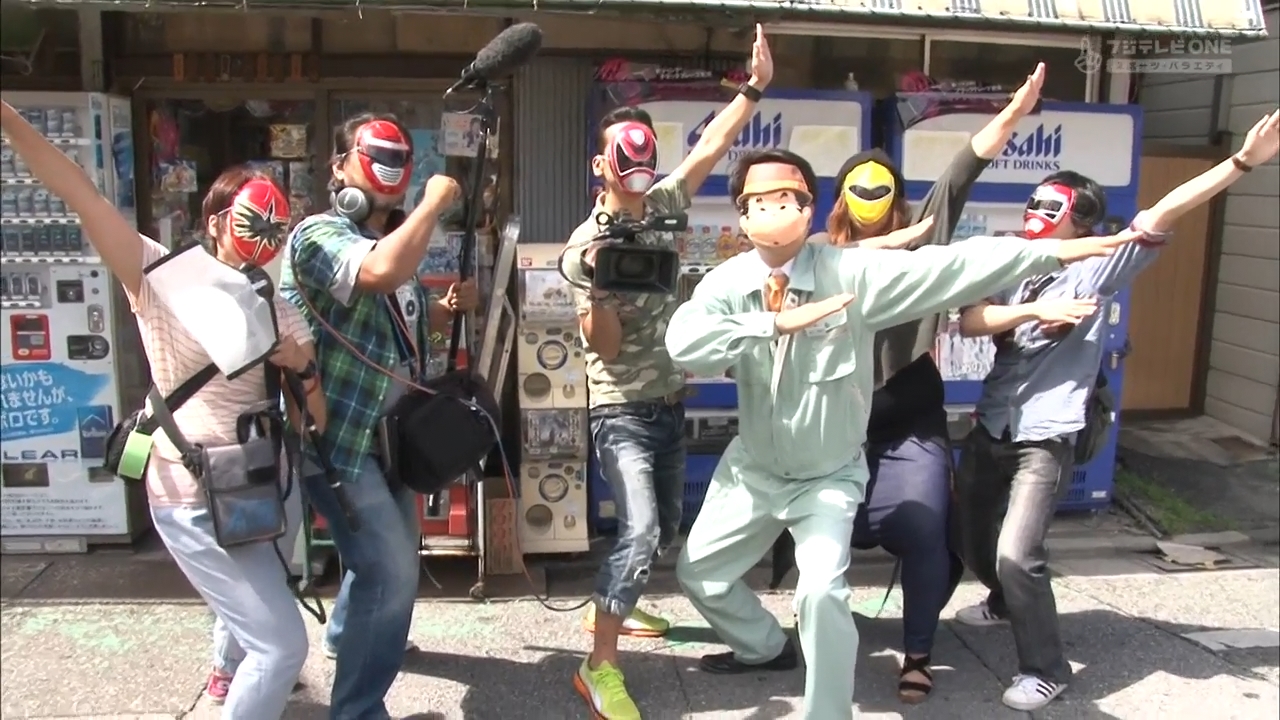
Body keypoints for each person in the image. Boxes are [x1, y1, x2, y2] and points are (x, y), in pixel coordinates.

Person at [663, 147, 1149, 720]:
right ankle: (763, 646)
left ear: (810, 206)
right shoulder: (727, 282)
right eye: (759, 199)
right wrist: (772, 323)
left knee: (821, 593)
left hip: (826, 477)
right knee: (700, 574)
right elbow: (686, 345)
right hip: (753, 471)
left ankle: (828, 713)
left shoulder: (850, 274)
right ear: (742, 213)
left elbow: (950, 267)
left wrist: (1050, 251)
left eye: (788, 196)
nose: (774, 207)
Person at [1, 101, 324, 720]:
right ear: (217, 219)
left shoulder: (277, 303)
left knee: (255, 604)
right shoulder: (163, 274)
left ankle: (227, 674)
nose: (264, 238)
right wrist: (10, 120)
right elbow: (80, 192)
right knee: (280, 646)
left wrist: (301, 368)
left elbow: (316, 418)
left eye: (276, 227)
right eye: (253, 220)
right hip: (191, 488)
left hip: (262, 483)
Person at [951, 108, 1280, 712]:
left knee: (1018, 554)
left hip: (1046, 436)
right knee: (969, 537)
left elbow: (1165, 211)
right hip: (992, 422)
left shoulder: (1102, 262)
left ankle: (1046, 670)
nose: (1034, 211)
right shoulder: (1014, 259)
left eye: (1049, 205)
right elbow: (972, 320)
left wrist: (1240, 162)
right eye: (1033, 200)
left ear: (1078, 218)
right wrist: (1031, 311)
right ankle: (1003, 600)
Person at [768, 63, 1049, 703]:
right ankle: (811, 640)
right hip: (831, 424)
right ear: (843, 199)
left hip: (909, 419)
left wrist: (1011, 114)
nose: (871, 202)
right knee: (817, 538)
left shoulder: (921, 242)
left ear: (897, 199)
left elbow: (959, 173)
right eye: (859, 190)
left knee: (925, 527)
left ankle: (918, 651)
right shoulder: (818, 252)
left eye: (883, 190)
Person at [557, 24, 774, 720]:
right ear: (601, 164)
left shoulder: (663, 207)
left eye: (646, 151)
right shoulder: (584, 247)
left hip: (669, 401)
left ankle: (617, 605)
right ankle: (599, 665)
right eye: (628, 153)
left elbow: (712, 147)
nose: (640, 163)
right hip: (619, 406)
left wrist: (755, 88)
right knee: (642, 531)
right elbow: (605, 347)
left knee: (666, 531)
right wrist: (599, 288)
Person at [279, 112, 477, 720]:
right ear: (340, 167)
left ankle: (347, 637)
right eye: (376, 159)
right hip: (339, 438)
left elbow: (396, 312)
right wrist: (433, 204)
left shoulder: (391, 240)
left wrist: (443, 311)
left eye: (398, 161)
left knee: (383, 559)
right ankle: (358, 710)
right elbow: (378, 273)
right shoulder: (318, 235)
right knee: (390, 573)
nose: (389, 172)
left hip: (391, 436)